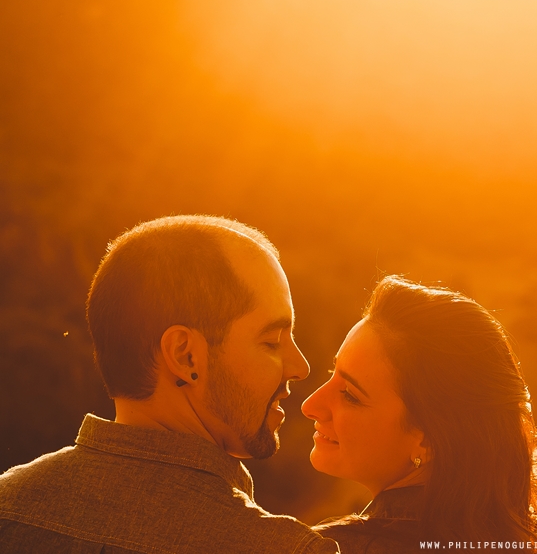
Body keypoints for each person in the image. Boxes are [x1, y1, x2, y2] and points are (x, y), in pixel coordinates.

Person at [0, 215, 340, 554]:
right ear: (185, 355)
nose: (301, 367)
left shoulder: (7, 507)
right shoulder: (285, 550)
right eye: (271, 341)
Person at [302, 275, 537, 553]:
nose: (310, 405)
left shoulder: (328, 549)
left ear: (428, 440)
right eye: (332, 373)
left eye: (350, 395)